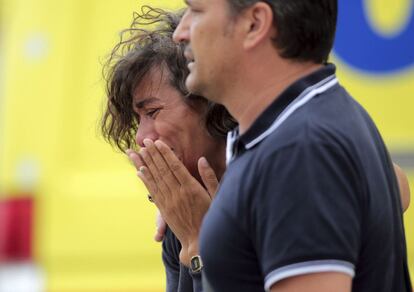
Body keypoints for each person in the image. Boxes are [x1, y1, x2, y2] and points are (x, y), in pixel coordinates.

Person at [101, 5, 412, 292]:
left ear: (255, 23)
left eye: (197, 10)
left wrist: (200, 243)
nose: (182, 33)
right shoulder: (267, 147)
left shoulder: (300, 149)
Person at [101, 6, 235, 292]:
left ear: (209, 101)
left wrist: (200, 242)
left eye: (152, 112)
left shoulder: (261, 188)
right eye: (138, 119)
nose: (140, 138)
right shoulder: (183, 209)